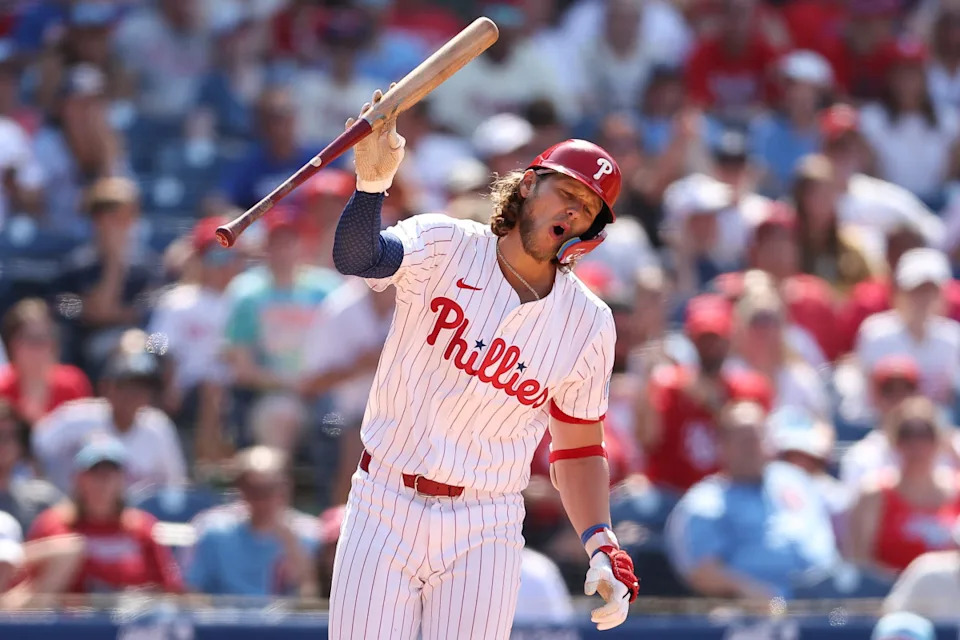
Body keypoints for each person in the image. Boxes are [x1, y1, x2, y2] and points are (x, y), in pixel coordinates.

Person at [327, 88, 639, 637]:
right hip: (384, 499)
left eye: (586, 207)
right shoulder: (445, 242)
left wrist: (600, 541)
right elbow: (358, 256)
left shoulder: (589, 323)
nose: (572, 209)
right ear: (526, 186)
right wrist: (373, 185)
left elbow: (579, 446)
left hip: (485, 521)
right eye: (564, 191)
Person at [665, 400, 839, 599]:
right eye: (745, 441)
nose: (754, 448)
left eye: (759, 438)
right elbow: (703, 573)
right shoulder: (705, 503)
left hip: (828, 597)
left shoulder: (794, 479)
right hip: (760, 609)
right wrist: (750, 590)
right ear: (723, 446)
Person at [26, 438, 183, 595]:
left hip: (131, 617)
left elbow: (169, 590)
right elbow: (28, 587)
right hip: (68, 618)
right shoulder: (52, 526)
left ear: (122, 480)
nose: (103, 483)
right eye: (95, 474)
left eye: (110, 474)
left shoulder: (143, 528)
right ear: (78, 479)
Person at [31, 349, 187, 495]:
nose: (135, 396)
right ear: (107, 388)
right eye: (128, 387)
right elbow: (36, 447)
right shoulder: (77, 418)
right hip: (77, 513)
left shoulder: (158, 428)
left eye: (143, 389)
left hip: (133, 518)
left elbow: (174, 485)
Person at [847, 397, 960, 576]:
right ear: (894, 440)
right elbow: (860, 565)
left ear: (939, 439)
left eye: (925, 434)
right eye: (906, 434)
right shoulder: (874, 494)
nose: (916, 444)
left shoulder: (957, 491)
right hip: (888, 599)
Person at [185, 446, 318, 597]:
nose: (261, 500)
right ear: (240, 490)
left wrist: (292, 546)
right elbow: (193, 592)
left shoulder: (310, 536)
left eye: (269, 489)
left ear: (286, 488)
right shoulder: (212, 531)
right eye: (252, 489)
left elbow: (311, 599)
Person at [0, 298, 92, 427]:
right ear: (11, 345)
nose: (40, 348)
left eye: (46, 338)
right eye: (31, 339)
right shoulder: (2, 389)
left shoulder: (73, 383)